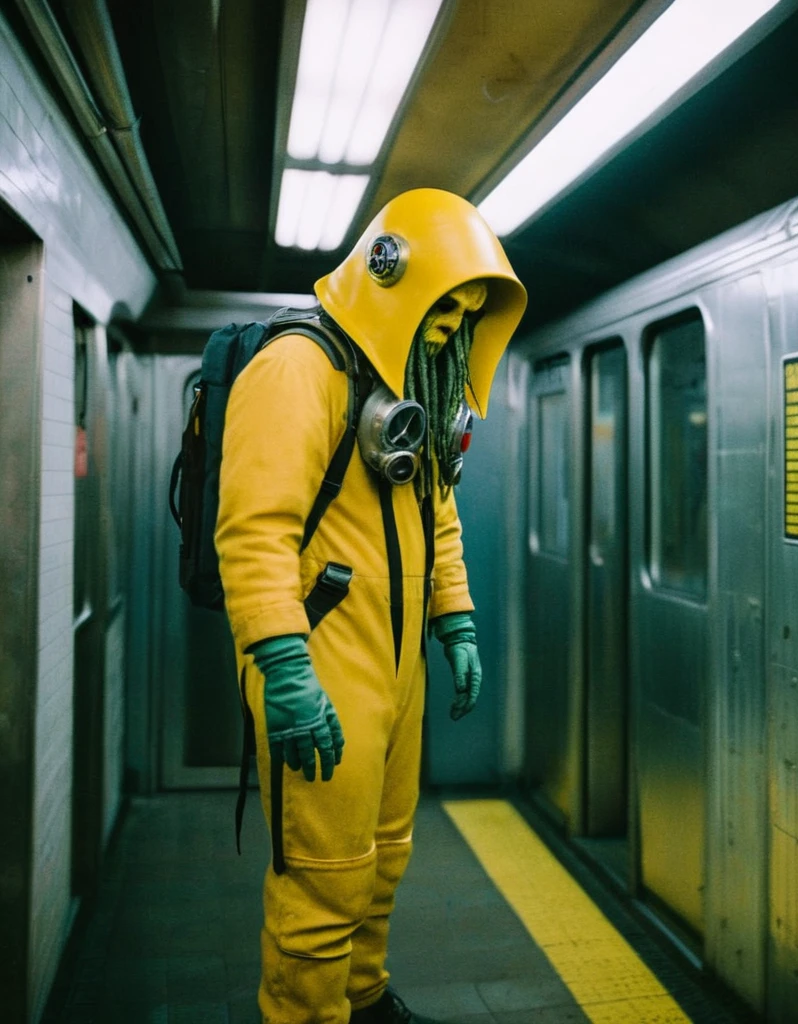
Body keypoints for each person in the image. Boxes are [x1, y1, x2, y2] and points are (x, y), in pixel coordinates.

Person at [215, 188, 527, 1024]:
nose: (451, 319)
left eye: (468, 307)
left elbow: (438, 511)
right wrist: (282, 666)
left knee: (382, 859)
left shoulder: (405, 388)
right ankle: (306, 1012)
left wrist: (453, 620)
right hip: (319, 662)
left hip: (396, 668)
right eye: (443, 299)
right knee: (321, 879)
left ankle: (363, 999)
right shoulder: (297, 370)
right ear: (387, 275)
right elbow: (253, 535)